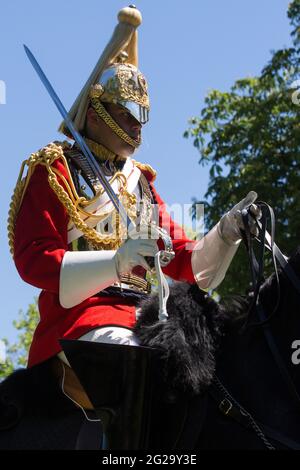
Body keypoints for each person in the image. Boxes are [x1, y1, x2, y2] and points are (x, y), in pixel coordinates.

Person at [7, 5, 260, 447]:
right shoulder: (55, 169)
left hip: (149, 315)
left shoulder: (141, 183)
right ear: (96, 110)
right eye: (125, 114)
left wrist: (225, 233)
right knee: (134, 360)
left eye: (140, 115)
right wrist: (117, 261)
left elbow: (186, 264)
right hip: (83, 319)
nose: (136, 126)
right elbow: (34, 261)